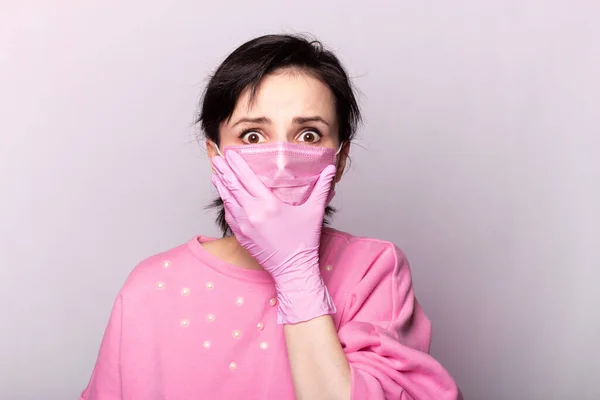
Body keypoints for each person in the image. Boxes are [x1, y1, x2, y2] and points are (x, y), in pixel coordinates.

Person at [80, 34, 461, 400]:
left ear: (340, 159)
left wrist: (296, 274)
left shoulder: (372, 271)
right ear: (216, 156)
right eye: (253, 137)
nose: (281, 165)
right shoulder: (150, 286)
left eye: (309, 135)